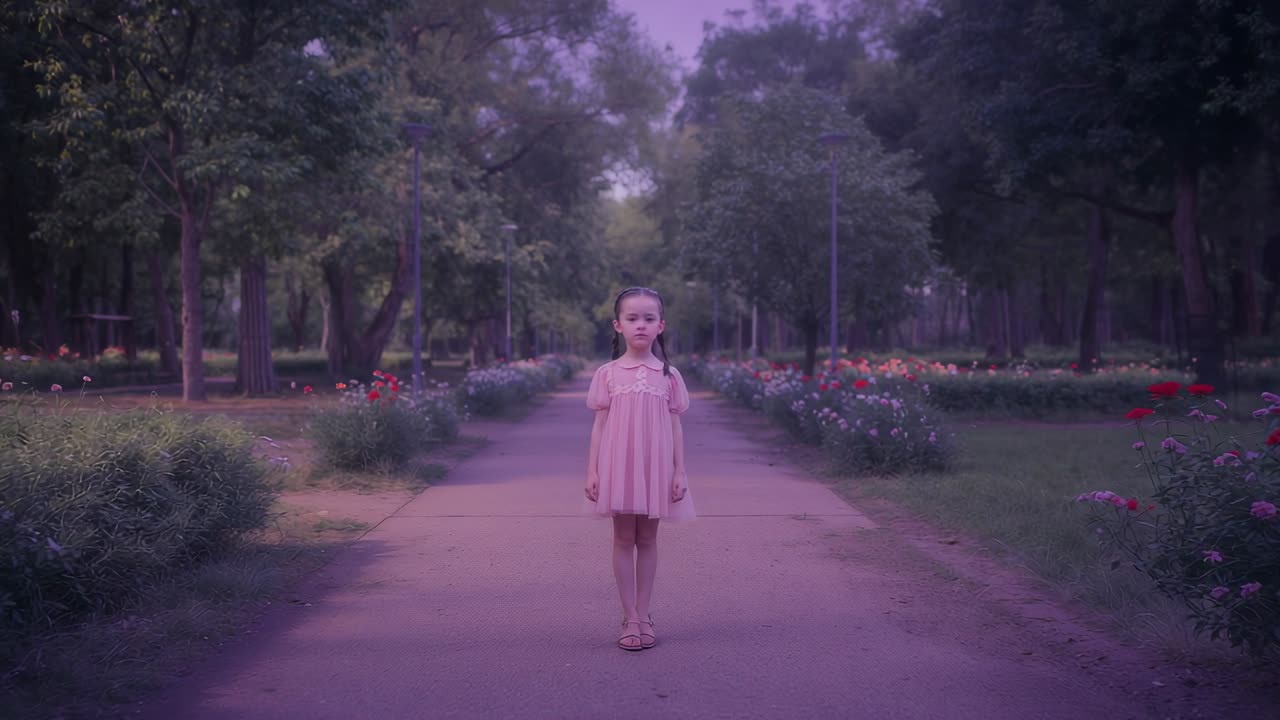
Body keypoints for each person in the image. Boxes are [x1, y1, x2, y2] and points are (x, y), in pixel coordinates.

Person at [584, 286, 696, 651]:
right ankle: (629, 616)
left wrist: (680, 471)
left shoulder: (669, 375)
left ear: (661, 326)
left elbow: (676, 426)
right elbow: (599, 425)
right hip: (618, 465)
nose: (641, 325)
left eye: (649, 319)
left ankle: (644, 615)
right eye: (632, 319)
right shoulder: (608, 374)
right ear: (618, 325)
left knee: (648, 539)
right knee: (622, 539)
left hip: (655, 467)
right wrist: (593, 471)